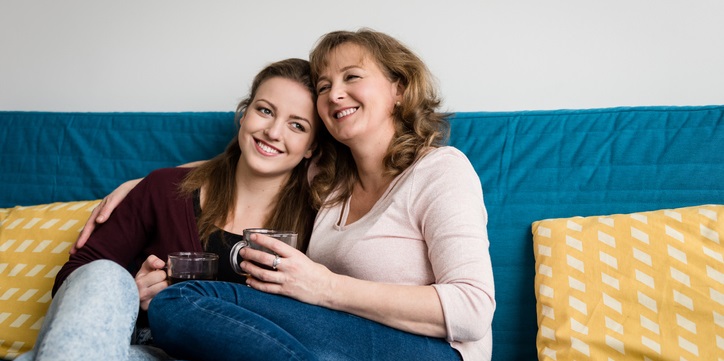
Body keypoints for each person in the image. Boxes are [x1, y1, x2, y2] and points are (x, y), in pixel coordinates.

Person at [77, 29, 495, 361]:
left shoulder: (441, 170)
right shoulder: (331, 184)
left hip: (433, 352)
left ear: (399, 88)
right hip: (330, 343)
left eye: (352, 77)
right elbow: (267, 150)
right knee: (171, 306)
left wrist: (326, 288)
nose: (334, 94)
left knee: (180, 301)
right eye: (325, 85)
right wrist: (149, 183)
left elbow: (473, 309)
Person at [16, 58, 332, 361]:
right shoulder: (163, 189)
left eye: (297, 126)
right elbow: (73, 279)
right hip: (141, 350)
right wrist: (130, 296)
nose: (274, 132)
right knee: (107, 276)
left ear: (312, 148)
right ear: (244, 113)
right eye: (265, 110)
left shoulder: (321, 220)